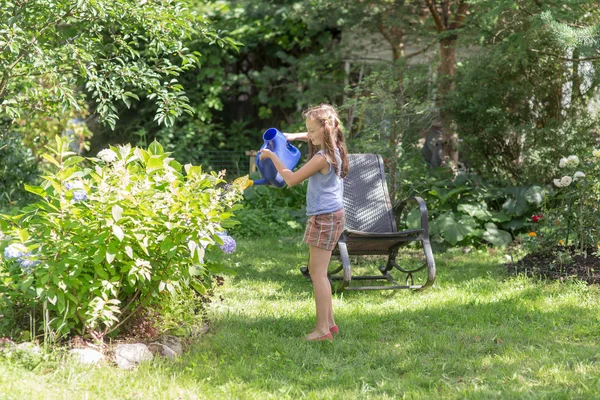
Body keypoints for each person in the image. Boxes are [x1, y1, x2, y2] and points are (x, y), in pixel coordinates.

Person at [258, 104, 349, 341]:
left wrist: (272, 156)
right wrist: (290, 136)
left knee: (317, 273)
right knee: (320, 271)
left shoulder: (322, 157)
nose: (307, 135)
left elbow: (290, 179)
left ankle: (322, 331)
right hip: (334, 214)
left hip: (324, 217)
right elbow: (313, 134)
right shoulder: (336, 146)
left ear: (324, 128)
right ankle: (329, 324)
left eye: (311, 130)